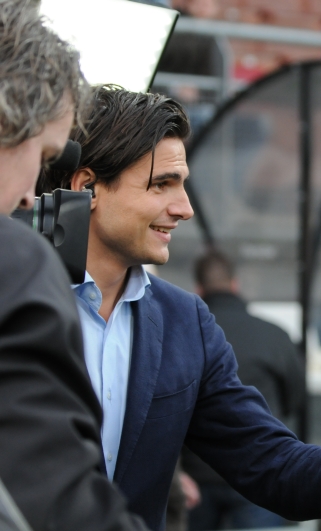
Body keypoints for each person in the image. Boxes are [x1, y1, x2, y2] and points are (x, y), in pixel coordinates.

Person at [43, 84, 321, 531]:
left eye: (182, 185)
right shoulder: (16, 300)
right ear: (87, 187)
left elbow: (274, 465)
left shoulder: (186, 323)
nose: (184, 209)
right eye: (162, 185)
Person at [0, 1, 149, 530]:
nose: (28, 197)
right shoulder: (16, 261)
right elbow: (53, 504)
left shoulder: (184, 321)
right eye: (42, 159)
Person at [184, 249, 305, 530]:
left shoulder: (183, 333)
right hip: (259, 472)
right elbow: (295, 397)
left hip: (195, 476)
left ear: (198, 289)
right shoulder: (273, 334)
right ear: (235, 285)